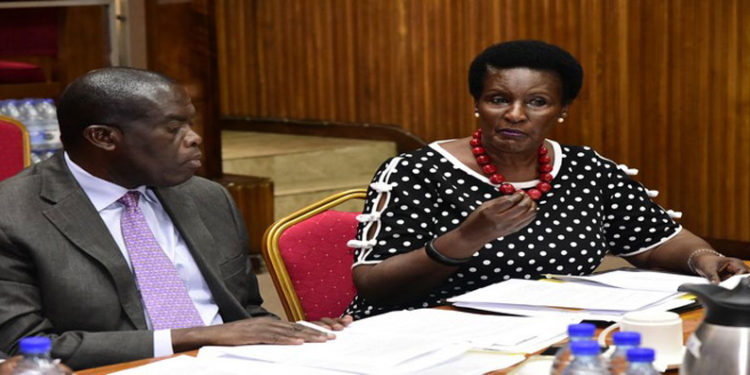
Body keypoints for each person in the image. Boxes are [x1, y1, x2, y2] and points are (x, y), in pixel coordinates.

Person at [345, 40, 748, 319]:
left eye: (537, 102)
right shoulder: (419, 172)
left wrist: (705, 260)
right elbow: (374, 285)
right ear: (478, 104)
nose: (516, 114)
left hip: (545, 334)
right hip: (424, 337)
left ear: (561, 111)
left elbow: (661, 240)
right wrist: (465, 239)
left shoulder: (586, 169)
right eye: (499, 99)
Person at [0, 67, 351, 370]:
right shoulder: (13, 214)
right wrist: (197, 336)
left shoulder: (206, 197)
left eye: (190, 124)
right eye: (173, 128)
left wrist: (301, 338)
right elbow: (27, 347)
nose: (194, 139)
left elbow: (245, 311)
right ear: (103, 137)